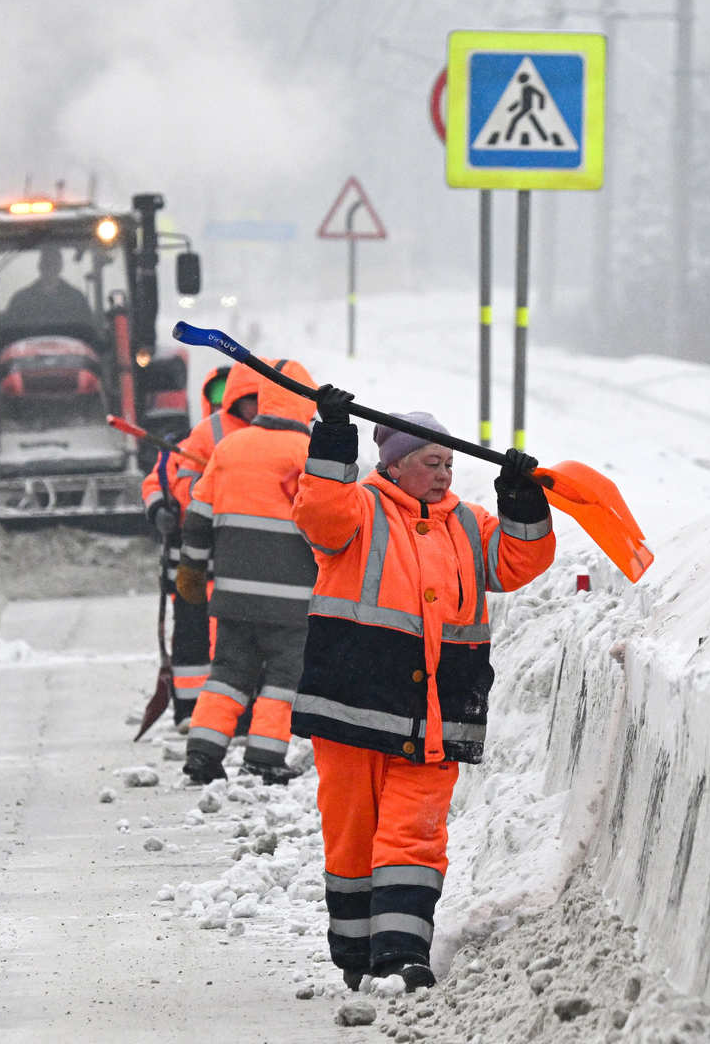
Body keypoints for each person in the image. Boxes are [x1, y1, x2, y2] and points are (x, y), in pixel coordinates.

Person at [291, 384, 557, 993]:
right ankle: (357, 954)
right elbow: (318, 514)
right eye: (431, 463)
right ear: (395, 465)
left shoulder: (468, 524)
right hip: (356, 711)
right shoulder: (357, 509)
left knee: (415, 834)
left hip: (437, 719)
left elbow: (521, 561)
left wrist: (518, 496)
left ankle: (403, 953)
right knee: (354, 839)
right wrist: (332, 437)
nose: (443, 475)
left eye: (449, 464)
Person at [176, 359, 317, 784]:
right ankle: (264, 757)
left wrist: (193, 570)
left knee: (227, 674)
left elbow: (198, 515)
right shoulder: (305, 453)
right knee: (282, 678)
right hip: (290, 601)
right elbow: (324, 522)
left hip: (233, 595)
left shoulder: (229, 449)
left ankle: (202, 751)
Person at [139, 364, 249, 727]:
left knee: (236, 638)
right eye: (216, 396)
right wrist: (160, 509)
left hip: (234, 561)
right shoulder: (183, 444)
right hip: (190, 561)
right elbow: (157, 481)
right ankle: (189, 709)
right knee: (191, 635)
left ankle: (236, 710)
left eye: (229, 395)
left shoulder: (259, 444)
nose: (223, 404)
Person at [3, 246, 91, 331]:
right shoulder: (21, 300)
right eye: (47, 263)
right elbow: (10, 334)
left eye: (54, 263)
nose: (50, 268)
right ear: (40, 266)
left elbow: (88, 334)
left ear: (60, 266)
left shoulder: (76, 299)